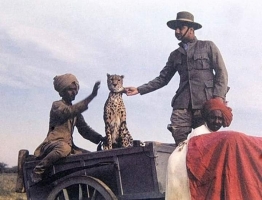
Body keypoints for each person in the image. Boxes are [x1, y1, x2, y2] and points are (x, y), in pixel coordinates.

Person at [125, 11, 229, 145]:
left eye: (181, 28)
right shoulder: (175, 55)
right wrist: (139, 89)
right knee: (180, 139)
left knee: (206, 143)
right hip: (183, 104)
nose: (177, 31)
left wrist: (218, 100)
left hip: (206, 103)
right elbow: (163, 79)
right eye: (176, 28)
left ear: (191, 30)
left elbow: (222, 73)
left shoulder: (208, 46)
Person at [31, 73, 104, 183]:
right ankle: (38, 169)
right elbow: (68, 112)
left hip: (69, 146)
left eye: (75, 89)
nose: (74, 92)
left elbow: (84, 130)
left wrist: (100, 138)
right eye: (70, 89)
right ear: (62, 91)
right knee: (64, 148)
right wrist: (91, 96)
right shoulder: (57, 105)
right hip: (53, 144)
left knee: (90, 157)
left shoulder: (75, 111)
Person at [165, 98, 233, 200]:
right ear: (206, 118)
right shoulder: (200, 134)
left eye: (220, 119)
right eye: (213, 118)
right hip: (182, 173)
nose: (217, 121)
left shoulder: (213, 135)